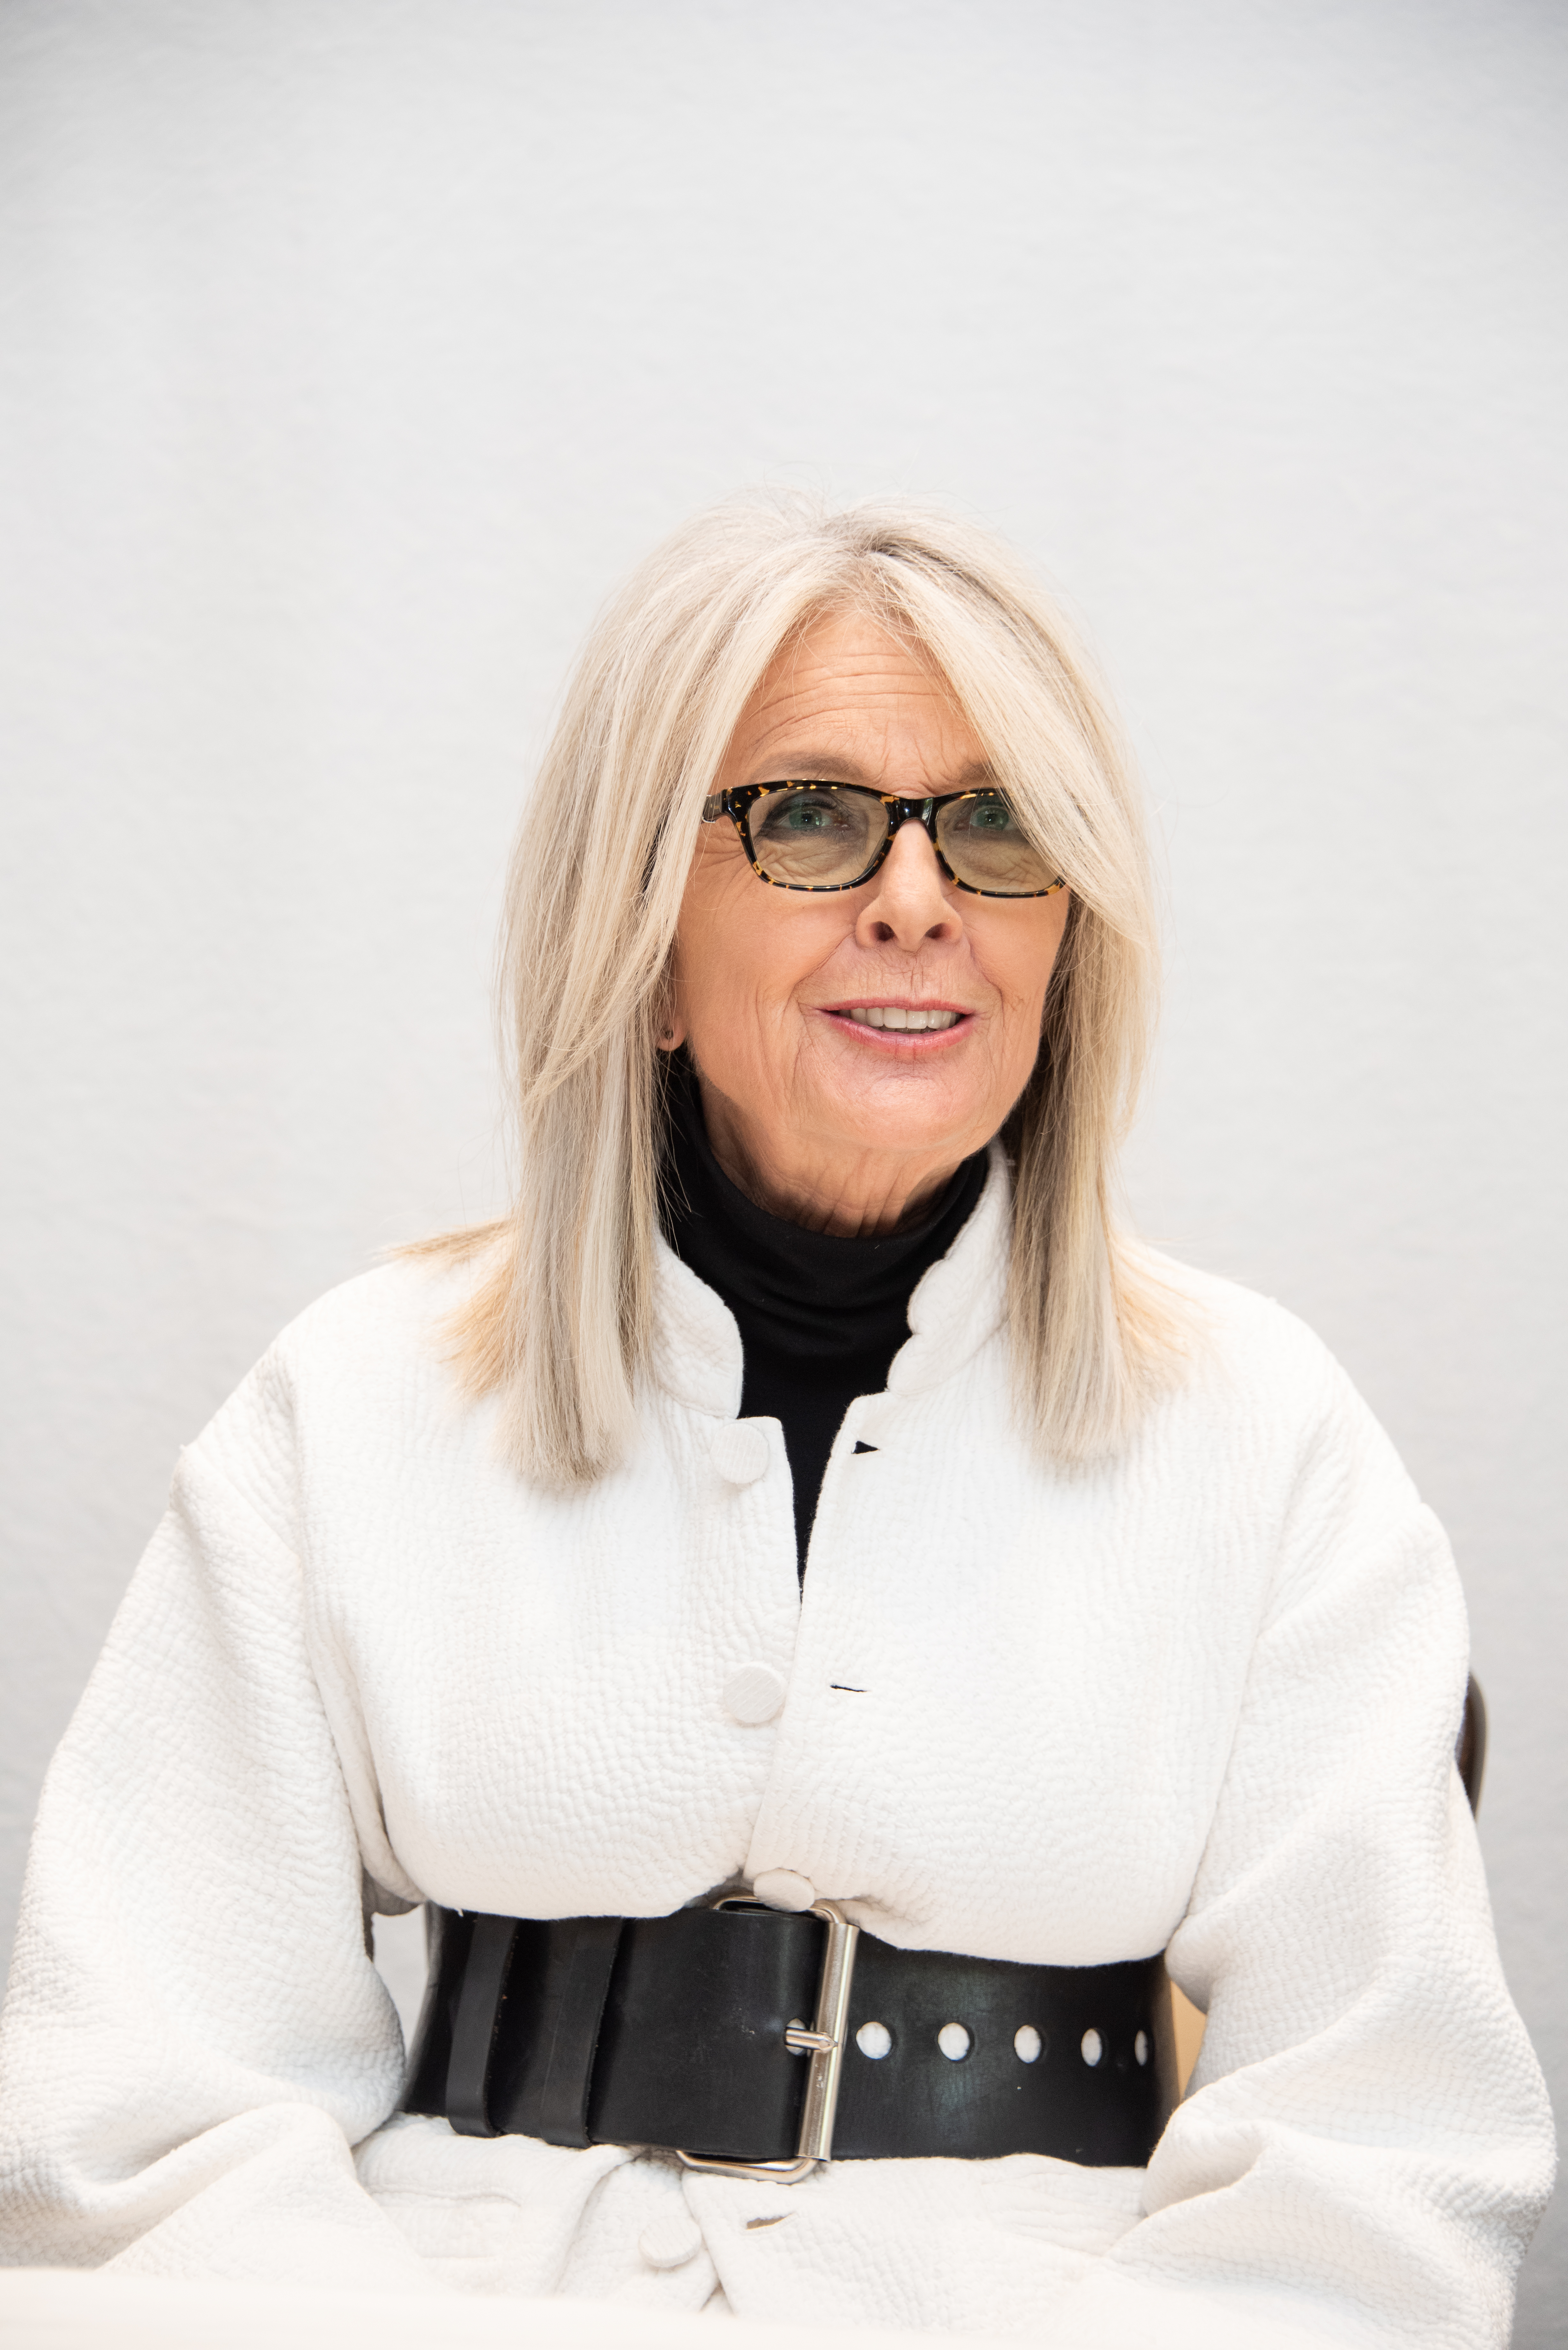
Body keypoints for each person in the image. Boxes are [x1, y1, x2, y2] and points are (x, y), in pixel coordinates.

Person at [0, 497, 1552, 2348]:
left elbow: (1378, 2159)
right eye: (810, 816)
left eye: (994, 825)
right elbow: (144, 2117)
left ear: (1065, 943)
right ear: (640, 930)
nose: (919, 897)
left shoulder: (1268, 1443)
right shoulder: (352, 1408)